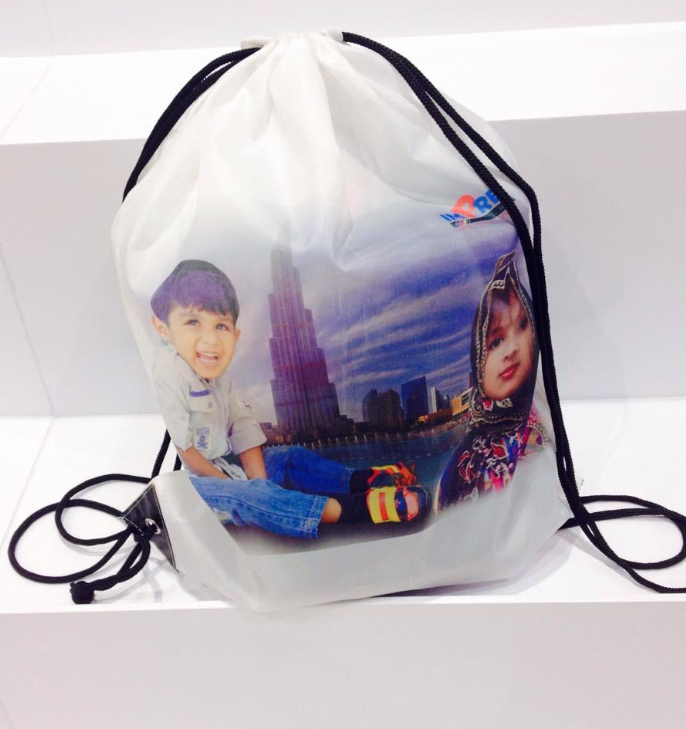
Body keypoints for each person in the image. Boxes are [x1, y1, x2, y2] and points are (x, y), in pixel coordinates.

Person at [149, 259, 430, 538]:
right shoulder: (168, 371)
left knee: (287, 457)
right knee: (248, 497)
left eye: (221, 326)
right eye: (193, 322)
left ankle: (363, 480)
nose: (210, 339)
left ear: (235, 335)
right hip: (204, 487)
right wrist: (250, 489)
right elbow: (187, 450)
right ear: (163, 329)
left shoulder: (222, 379)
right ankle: (356, 509)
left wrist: (260, 483)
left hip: (233, 471)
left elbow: (243, 429)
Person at [437, 250, 547, 508]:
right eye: (496, 341)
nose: (512, 349)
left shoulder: (539, 418)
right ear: (477, 359)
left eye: (522, 325)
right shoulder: (466, 454)